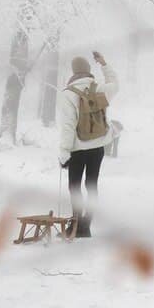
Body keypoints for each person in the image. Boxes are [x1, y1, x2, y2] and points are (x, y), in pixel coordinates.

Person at [58, 51, 118, 238]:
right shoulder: (99, 88)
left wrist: (64, 152)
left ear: (73, 71)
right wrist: (104, 64)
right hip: (98, 146)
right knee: (92, 184)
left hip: (77, 148)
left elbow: (68, 125)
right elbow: (115, 84)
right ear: (88, 69)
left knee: (74, 187)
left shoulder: (68, 94)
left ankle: (74, 227)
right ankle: (86, 226)